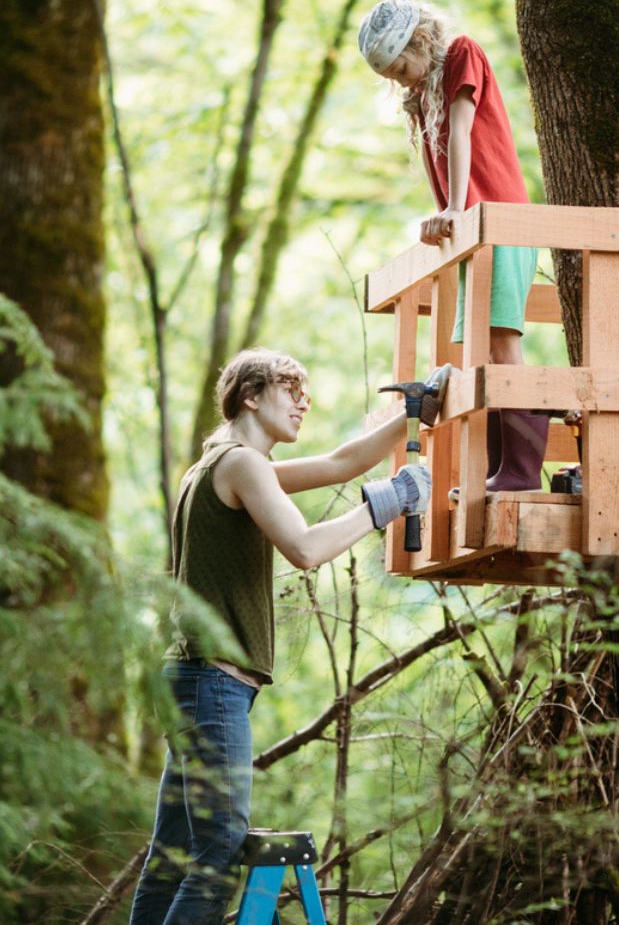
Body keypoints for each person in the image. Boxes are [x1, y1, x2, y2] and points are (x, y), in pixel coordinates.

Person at [129, 348, 439, 924]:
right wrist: (388, 502)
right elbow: (303, 549)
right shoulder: (242, 464)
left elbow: (343, 462)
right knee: (217, 853)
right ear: (250, 395)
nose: (305, 401)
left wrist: (416, 414)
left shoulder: (220, 463)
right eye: (290, 388)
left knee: (172, 858)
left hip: (191, 680)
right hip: (211, 682)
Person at [358, 0, 547, 492]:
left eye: (400, 68)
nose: (402, 80)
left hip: (499, 218)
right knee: (478, 351)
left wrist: (455, 209)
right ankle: (498, 469)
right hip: (470, 227)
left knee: (502, 343)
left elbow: (462, 132)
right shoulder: (420, 95)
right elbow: (435, 158)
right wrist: (441, 214)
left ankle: (522, 473)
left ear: (419, 42)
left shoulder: (462, 52)